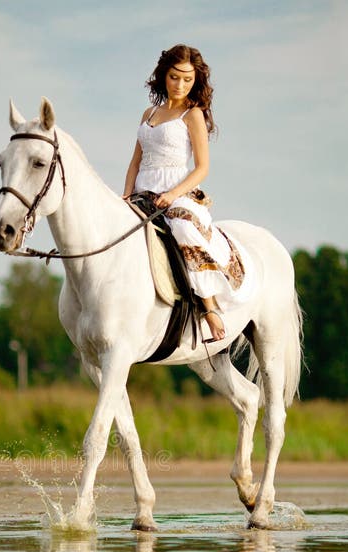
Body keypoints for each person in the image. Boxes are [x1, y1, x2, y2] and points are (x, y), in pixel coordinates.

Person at [123, 44, 248, 342]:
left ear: (195, 81)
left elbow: (202, 167)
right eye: (175, 77)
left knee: (181, 229)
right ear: (164, 75)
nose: (180, 85)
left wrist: (172, 194)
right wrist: (126, 196)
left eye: (187, 79)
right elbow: (135, 161)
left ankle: (209, 305)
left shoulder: (192, 115)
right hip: (143, 191)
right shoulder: (148, 112)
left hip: (178, 193)